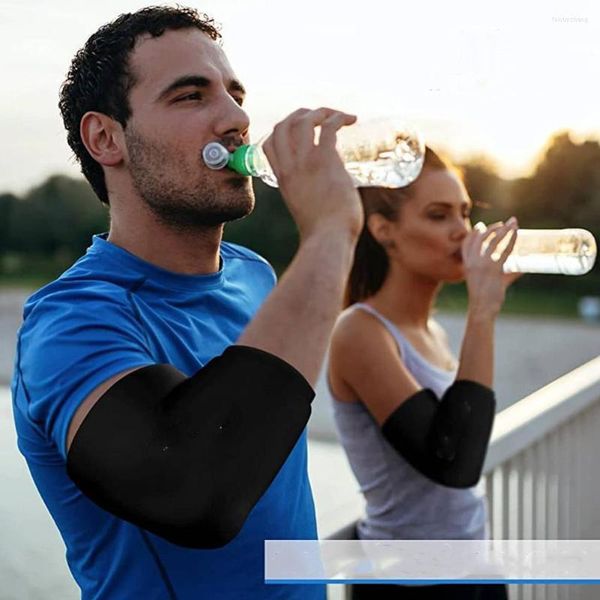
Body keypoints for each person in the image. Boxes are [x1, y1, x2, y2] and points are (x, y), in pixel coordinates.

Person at [11, 6, 364, 599]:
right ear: (106, 138)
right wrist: (331, 234)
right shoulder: (70, 323)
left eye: (235, 93)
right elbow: (195, 493)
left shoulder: (254, 274)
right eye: (191, 96)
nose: (237, 118)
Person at [324, 148, 519, 599]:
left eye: (465, 214)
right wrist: (483, 311)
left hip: (474, 568)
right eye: (439, 215)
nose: (462, 232)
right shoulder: (360, 332)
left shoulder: (432, 332)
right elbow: (453, 462)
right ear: (383, 230)